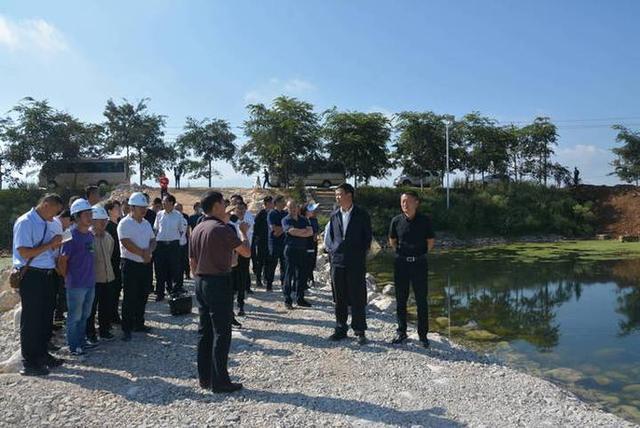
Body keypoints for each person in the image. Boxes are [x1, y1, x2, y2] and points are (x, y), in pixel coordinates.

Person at [190, 191, 251, 393]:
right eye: (223, 204)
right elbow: (246, 252)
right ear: (216, 206)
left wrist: (200, 277)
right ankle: (220, 381)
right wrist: (243, 232)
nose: (226, 208)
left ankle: (205, 378)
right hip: (218, 282)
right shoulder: (221, 229)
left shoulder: (197, 228)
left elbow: (192, 261)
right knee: (222, 331)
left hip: (201, 281)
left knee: (204, 330)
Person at [12, 194, 65, 376]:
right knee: (32, 319)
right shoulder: (26, 222)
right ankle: (29, 362)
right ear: (45, 204)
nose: (54, 217)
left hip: (47, 274)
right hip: (31, 275)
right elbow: (24, 252)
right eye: (54, 212)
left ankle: (42, 354)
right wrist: (50, 244)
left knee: (45, 317)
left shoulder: (47, 222)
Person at [324, 183, 372, 345]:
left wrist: (359, 254)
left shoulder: (362, 214)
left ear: (349, 195)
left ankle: (359, 330)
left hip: (355, 262)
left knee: (358, 297)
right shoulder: (334, 215)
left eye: (340, 194)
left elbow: (367, 238)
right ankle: (340, 328)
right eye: (336, 195)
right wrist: (333, 251)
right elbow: (330, 236)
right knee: (340, 297)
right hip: (337, 261)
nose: (337, 197)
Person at [388, 191, 435, 348]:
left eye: (407, 201)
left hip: (419, 264)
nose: (404, 204)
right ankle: (401, 331)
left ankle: (423, 335)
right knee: (401, 299)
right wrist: (401, 254)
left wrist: (419, 255)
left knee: (421, 299)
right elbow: (392, 240)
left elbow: (430, 241)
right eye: (402, 201)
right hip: (401, 264)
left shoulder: (425, 220)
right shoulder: (396, 221)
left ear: (416, 202)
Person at [58, 199, 96, 356]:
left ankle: (81, 341)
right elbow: (62, 261)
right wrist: (67, 277)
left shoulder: (89, 235)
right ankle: (73, 346)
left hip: (89, 282)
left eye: (90, 213)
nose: (90, 217)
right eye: (86, 214)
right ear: (77, 217)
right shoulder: (69, 236)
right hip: (76, 284)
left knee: (85, 315)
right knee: (75, 316)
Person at [118, 192, 156, 342]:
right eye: (140, 207)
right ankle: (126, 328)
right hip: (131, 264)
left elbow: (153, 240)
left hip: (145, 264)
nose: (144, 210)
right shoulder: (124, 223)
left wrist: (149, 251)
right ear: (132, 208)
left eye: (145, 207)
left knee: (143, 294)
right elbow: (125, 242)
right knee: (129, 297)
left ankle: (139, 323)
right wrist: (143, 253)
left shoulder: (146, 223)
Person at [86, 205, 116, 342]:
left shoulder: (108, 237)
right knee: (91, 309)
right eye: (100, 220)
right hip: (94, 279)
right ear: (92, 221)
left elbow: (109, 254)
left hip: (107, 277)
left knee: (106, 305)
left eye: (105, 220)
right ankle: (90, 333)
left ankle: (104, 329)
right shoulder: (88, 238)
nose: (104, 223)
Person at [281, 200, 314, 309]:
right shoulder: (285, 220)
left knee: (302, 275)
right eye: (291, 207)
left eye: (295, 206)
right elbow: (291, 231)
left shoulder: (304, 219)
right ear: (287, 208)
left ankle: (300, 298)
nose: (293, 209)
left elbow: (310, 232)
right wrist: (303, 232)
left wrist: (299, 232)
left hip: (302, 250)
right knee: (289, 275)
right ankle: (287, 299)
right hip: (291, 250)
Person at [153, 194, 186, 300]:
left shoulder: (178, 215)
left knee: (175, 269)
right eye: (163, 201)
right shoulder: (159, 214)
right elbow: (156, 229)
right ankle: (160, 293)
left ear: (171, 203)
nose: (163, 203)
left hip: (173, 245)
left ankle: (175, 292)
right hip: (161, 245)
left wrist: (174, 239)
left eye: (165, 201)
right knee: (159, 270)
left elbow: (181, 230)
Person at [229, 203, 251, 317]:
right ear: (235, 210)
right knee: (232, 280)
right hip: (233, 254)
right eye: (239, 209)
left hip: (245, 253)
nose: (241, 211)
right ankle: (230, 307)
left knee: (242, 279)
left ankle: (240, 305)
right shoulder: (230, 223)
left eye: (243, 209)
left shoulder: (248, 220)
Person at [51, 209, 72, 331]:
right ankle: (55, 323)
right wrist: (57, 267)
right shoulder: (55, 228)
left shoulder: (64, 230)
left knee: (61, 296)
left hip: (60, 268)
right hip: (53, 268)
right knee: (56, 297)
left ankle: (58, 321)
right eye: (69, 221)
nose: (69, 224)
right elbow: (52, 252)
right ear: (64, 218)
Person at [104, 199, 122, 324]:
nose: (119, 210)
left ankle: (114, 314)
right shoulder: (108, 227)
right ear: (109, 211)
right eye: (116, 208)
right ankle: (110, 316)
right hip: (111, 262)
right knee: (111, 292)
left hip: (119, 261)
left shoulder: (120, 224)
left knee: (117, 290)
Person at [265, 196, 287, 291]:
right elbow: (275, 230)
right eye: (282, 201)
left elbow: (288, 227)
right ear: (277, 203)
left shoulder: (286, 213)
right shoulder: (272, 213)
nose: (284, 203)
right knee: (272, 264)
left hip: (284, 242)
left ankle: (284, 284)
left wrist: (281, 229)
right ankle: (269, 284)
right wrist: (285, 228)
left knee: (284, 264)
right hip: (274, 243)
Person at [251, 196, 273, 288]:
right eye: (271, 202)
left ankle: (267, 278)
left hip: (270, 241)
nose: (273, 204)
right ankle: (258, 280)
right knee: (260, 261)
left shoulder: (273, 213)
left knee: (269, 261)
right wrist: (256, 238)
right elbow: (255, 227)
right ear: (267, 203)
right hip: (262, 241)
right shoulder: (261, 214)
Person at [303, 202, 320, 287]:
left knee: (312, 261)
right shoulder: (304, 220)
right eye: (313, 210)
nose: (315, 211)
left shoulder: (314, 220)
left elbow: (316, 233)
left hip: (313, 244)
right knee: (306, 261)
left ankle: (310, 278)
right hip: (306, 244)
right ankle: (307, 279)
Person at [174, 203, 190, 284]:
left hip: (183, 244)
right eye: (176, 209)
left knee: (182, 263)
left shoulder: (184, 219)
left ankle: (180, 283)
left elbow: (187, 231)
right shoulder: (171, 219)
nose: (178, 211)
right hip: (174, 245)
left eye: (180, 209)